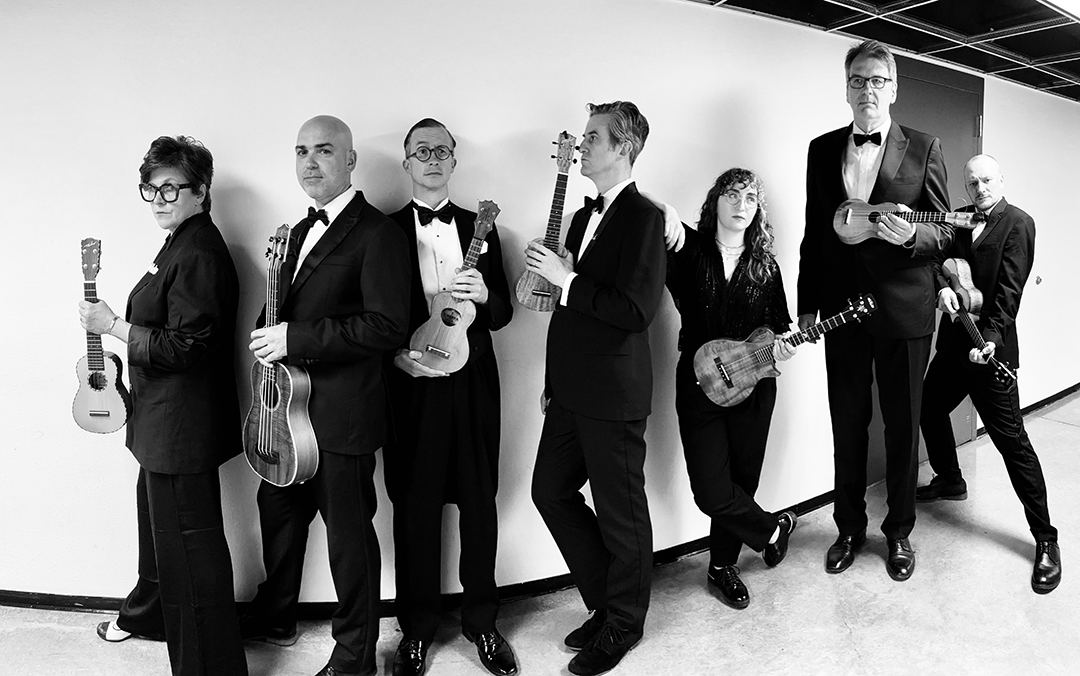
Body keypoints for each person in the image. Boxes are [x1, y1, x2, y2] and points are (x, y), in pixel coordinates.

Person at [245, 115, 411, 676]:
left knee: (348, 538)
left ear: (350, 161)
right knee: (278, 515)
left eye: (323, 150)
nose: (310, 162)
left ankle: (355, 657)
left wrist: (295, 338)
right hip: (285, 415)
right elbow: (281, 313)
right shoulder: (293, 233)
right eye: (301, 152)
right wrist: (267, 333)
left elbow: (387, 326)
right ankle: (277, 616)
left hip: (343, 415)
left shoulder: (378, 232)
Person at [80, 135, 247, 676]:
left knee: (191, 559)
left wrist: (115, 326)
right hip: (161, 426)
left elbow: (187, 347)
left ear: (201, 190)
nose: (159, 198)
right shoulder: (179, 241)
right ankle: (149, 617)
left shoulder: (198, 252)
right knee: (159, 540)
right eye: (151, 188)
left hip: (181, 432)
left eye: (172, 187)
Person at [796, 39, 953, 582]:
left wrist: (911, 237)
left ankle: (900, 532)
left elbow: (945, 232)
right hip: (841, 312)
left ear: (894, 89)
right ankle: (848, 528)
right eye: (858, 80)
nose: (868, 89)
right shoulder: (821, 149)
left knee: (903, 428)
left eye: (878, 80)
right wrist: (808, 304)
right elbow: (815, 233)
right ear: (846, 89)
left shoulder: (925, 147)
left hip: (905, 312)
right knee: (847, 425)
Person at [526, 101, 666, 676]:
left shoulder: (645, 218)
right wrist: (551, 379)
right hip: (570, 390)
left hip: (614, 392)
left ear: (623, 148)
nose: (581, 146)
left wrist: (567, 279)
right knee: (549, 491)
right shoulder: (583, 217)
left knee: (620, 515)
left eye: (592, 137)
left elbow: (634, 311)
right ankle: (606, 602)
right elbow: (567, 309)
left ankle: (624, 625)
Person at [383, 118, 517, 676]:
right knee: (414, 509)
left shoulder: (483, 228)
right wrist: (396, 357)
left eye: (442, 150)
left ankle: (482, 623)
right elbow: (372, 315)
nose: (433, 159)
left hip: (474, 384)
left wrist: (485, 295)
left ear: (454, 161)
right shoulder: (384, 231)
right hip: (412, 385)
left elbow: (504, 314)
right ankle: (415, 631)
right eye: (422, 151)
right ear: (406, 163)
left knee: (479, 505)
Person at [917, 154, 1060, 593]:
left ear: (1000, 180)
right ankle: (950, 479)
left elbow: (1009, 292)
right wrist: (942, 289)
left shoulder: (1018, 224)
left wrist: (992, 339)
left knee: (1012, 444)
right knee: (928, 408)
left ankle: (1046, 539)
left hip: (989, 352)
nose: (980, 188)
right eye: (972, 182)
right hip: (953, 348)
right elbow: (935, 260)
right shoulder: (960, 219)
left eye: (986, 180)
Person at [666, 167, 798, 610]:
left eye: (751, 198)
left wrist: (783, 348)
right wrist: (665, 210)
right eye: (733, 195)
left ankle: (722, 566)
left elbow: (778, 328)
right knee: (711, 489)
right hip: (698, 384)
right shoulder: (689, 251)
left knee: (742, 481)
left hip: (754, 389)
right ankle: (772, 530)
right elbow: (648, 216)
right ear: (715, 201)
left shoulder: (766, 266)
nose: (742, 205)